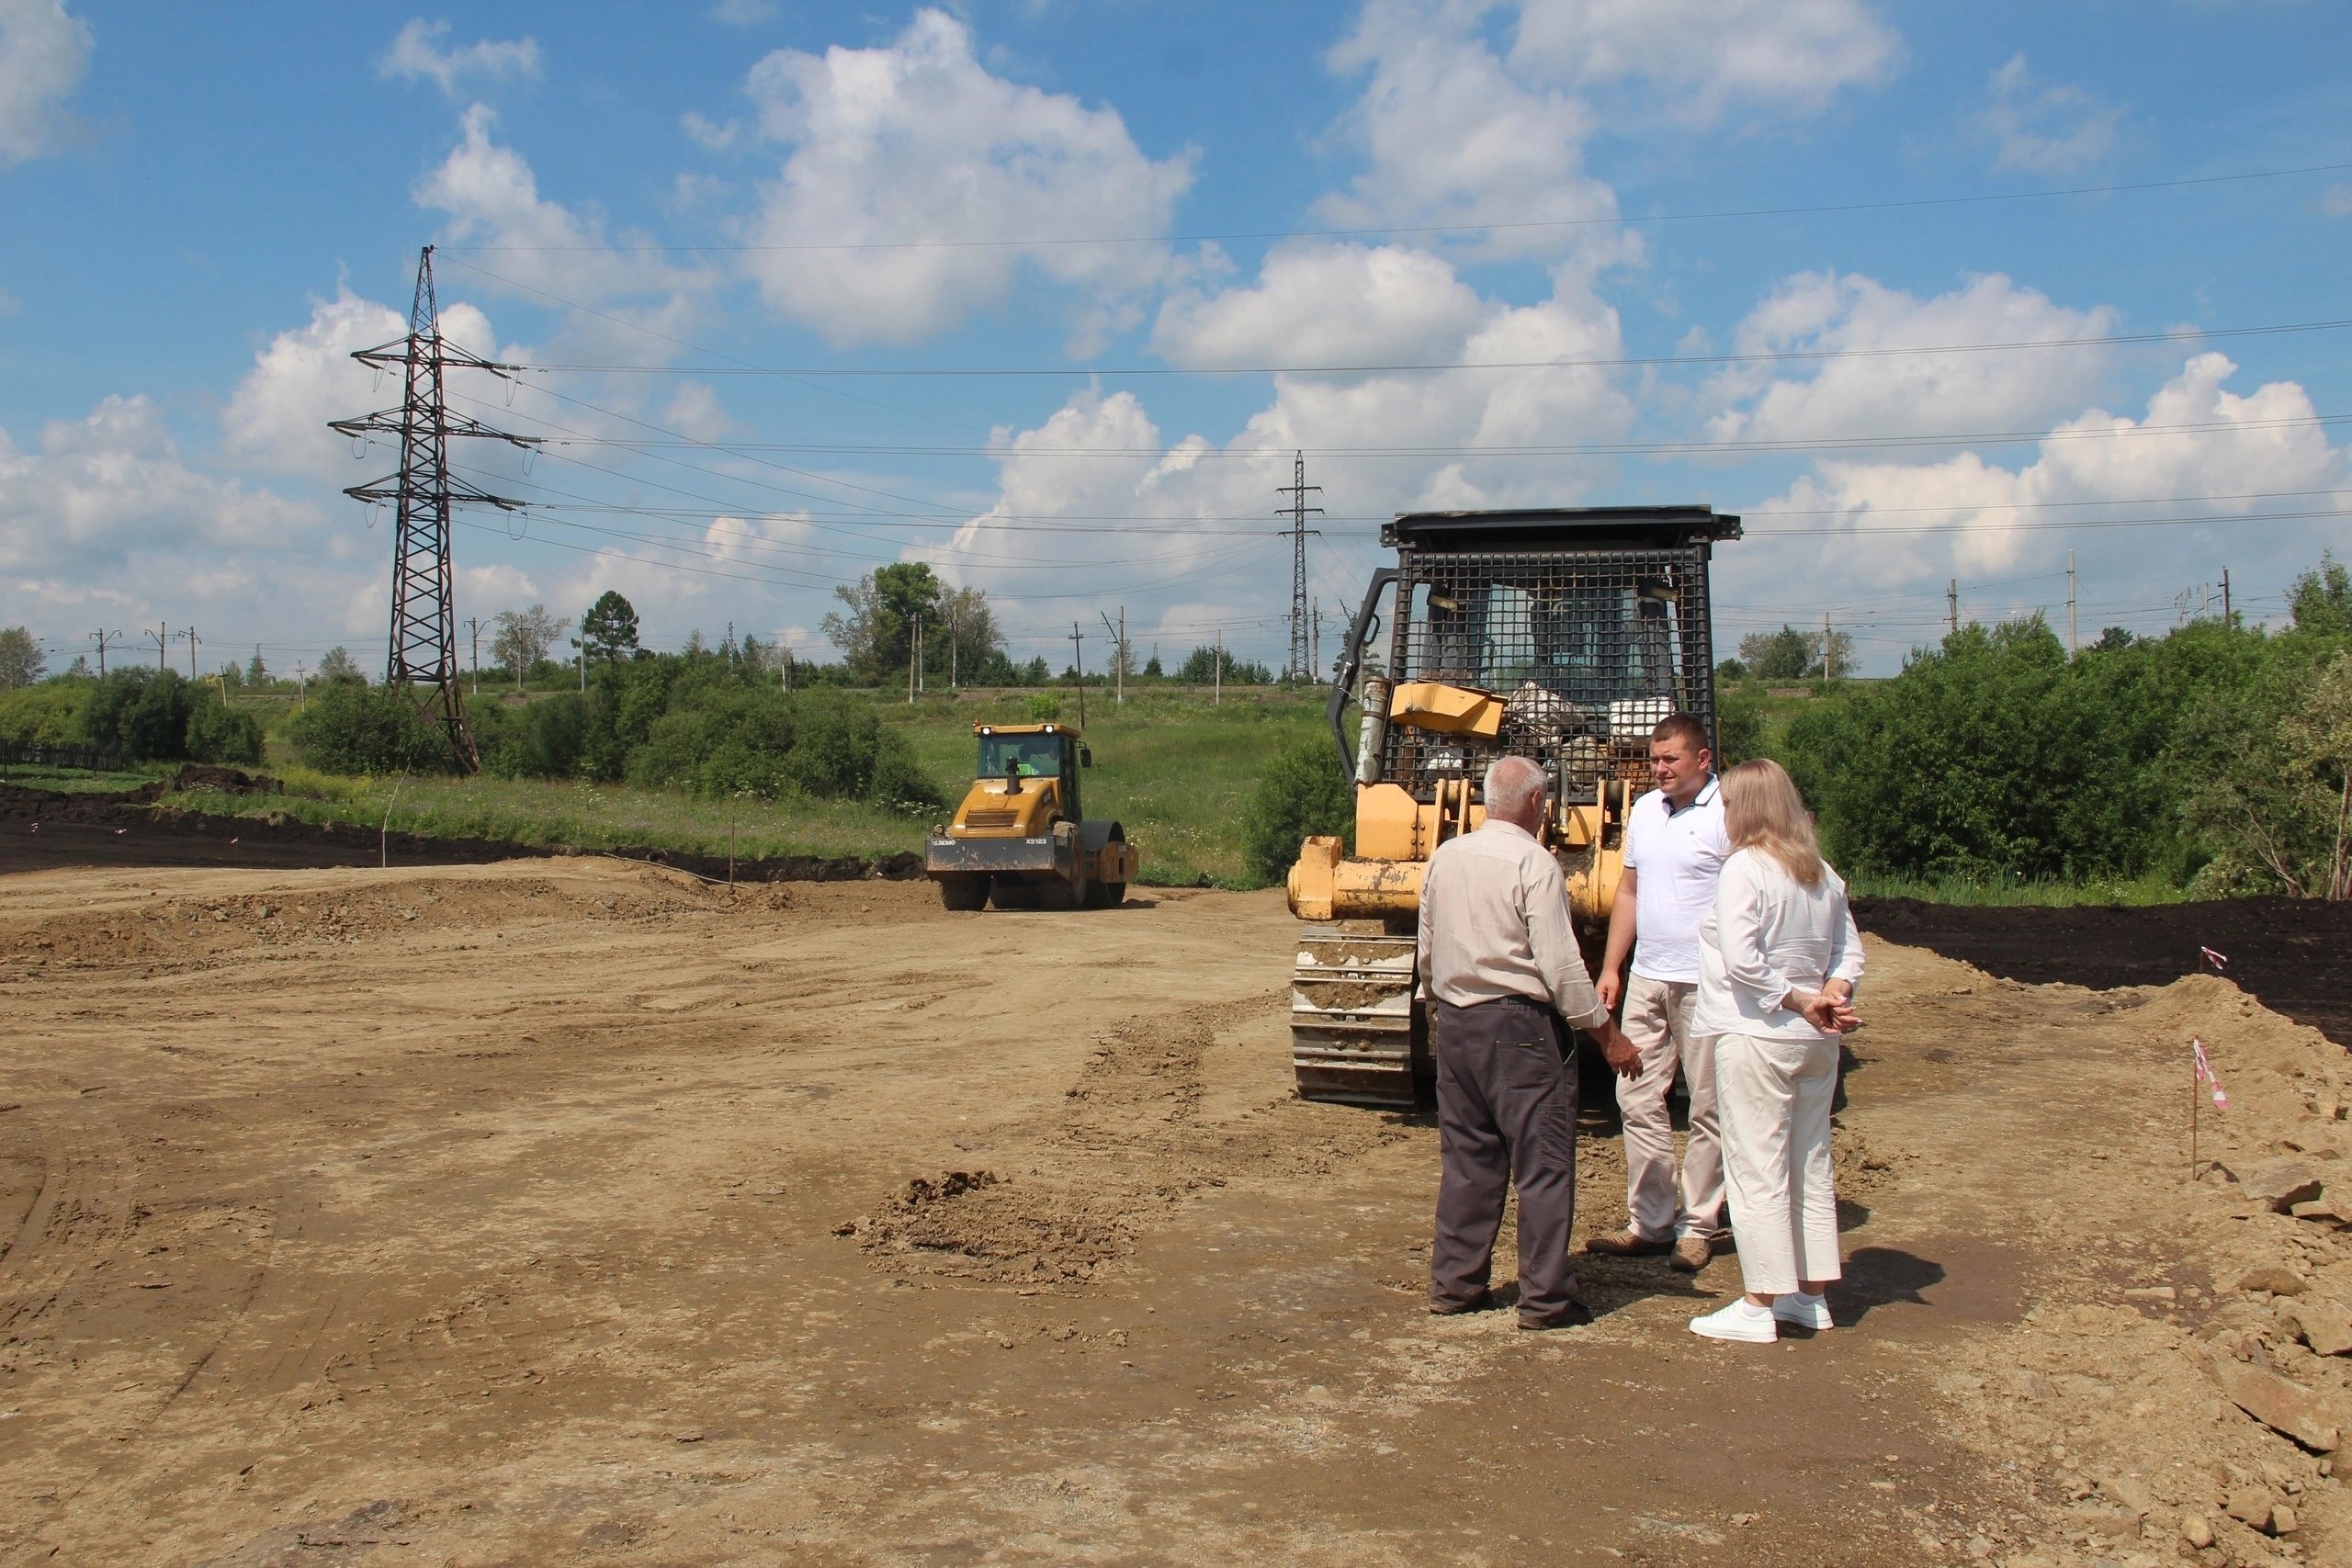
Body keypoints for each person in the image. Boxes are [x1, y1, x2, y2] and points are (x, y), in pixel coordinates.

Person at [1419, 754, 1642, 1331]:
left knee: (1468, 1161)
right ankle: (1545, 1300)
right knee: (1542, 1164)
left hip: (1457, 1026)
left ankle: (1455, 1286)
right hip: (1517, 1030)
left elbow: (1427, 948)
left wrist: (1439, 1004)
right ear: (1540, 804)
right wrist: (1608, 1035)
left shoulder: (1446, 856)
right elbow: (1563, 969)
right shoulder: (1535, 864)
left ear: (1485, 799)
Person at [1686, 759, 1863, 1346]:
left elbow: (1741, 958)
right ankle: (1807, 1295)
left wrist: (1797, 999)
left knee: (1755, 1167)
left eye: (1731, 804)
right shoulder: (1819, 871)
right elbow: (1849, 953)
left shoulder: (1746, 868)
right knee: (1809, 1162)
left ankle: (1758, 1303)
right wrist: (1831, 993)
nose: (1725, 814)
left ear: (1751, 808)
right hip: (1814, 1043)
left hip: (1759, 1034)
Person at [1588, 713, 1731, 1274]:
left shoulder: (1728, 814)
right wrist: (1613, 966)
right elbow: (1629, 890)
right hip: (1647, 976)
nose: (1659, 769)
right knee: (1636, 1097)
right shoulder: (1645, 810)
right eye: (1654, 759)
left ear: (1703, 759)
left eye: (1670, 759)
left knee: (1707, 1104)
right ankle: (1649, 1222)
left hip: (1706, 981)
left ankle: (1697, 1225)